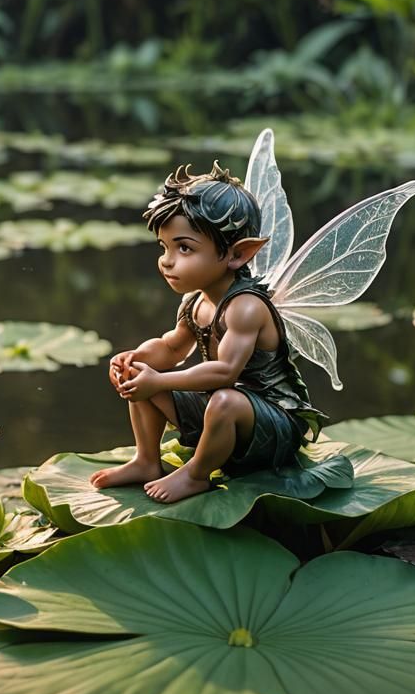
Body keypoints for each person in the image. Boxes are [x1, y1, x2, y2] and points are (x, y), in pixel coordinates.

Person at [89, 161, 321, 503]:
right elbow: (172, 348)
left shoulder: (245, 307)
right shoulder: (195, 301)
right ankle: (146, 461)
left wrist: (161, 381)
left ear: (237, 254)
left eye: (184, 248)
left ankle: (197, 475)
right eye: (164, 247)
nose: (168, 261)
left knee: (224, 400)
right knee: (142, 376)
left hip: (273, 424)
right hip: (222, 408)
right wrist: (135, 359)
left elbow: (226, 373)